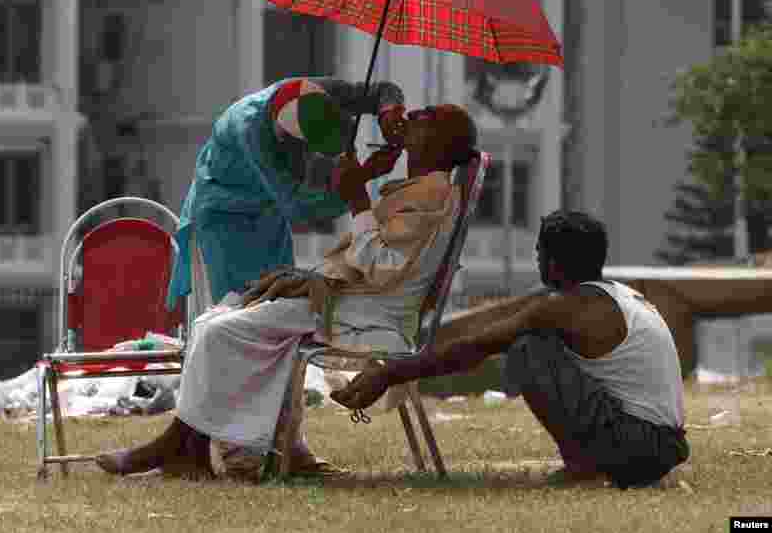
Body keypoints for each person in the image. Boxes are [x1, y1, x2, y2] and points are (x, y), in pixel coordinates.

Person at [96, 104, 479, 479]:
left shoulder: (431, 194)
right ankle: (191, 451)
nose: (410, 115)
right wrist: (311, 276)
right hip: (353, 302)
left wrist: (357, 197)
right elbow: (379, 261)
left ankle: (178, 446)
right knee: (214, 318)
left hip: (365, 315)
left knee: (219, 330)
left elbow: (380, 264)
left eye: (426, 117)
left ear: (443, 145)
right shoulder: (422, 189)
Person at [331, 210, 691, 489]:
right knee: (532, 342)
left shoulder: (565, 308)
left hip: (639, 447)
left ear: (552, 261)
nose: (536, 260)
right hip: (663, 447)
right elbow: (486, 330)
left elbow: (475, 348)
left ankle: (583, 467)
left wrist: (391, 372)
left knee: (528, 349)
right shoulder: (613, 295)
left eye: (539, 252)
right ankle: (592, 463)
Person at [166, 76, 408, 323]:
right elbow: (299, 209)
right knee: (237, 315)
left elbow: (382, 91)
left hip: (268, 210)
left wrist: (389, 112)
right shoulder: (252, 132)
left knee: (280, 303)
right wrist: (363, 177)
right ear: (288, 141)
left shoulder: (316, 91)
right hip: (223, 214)